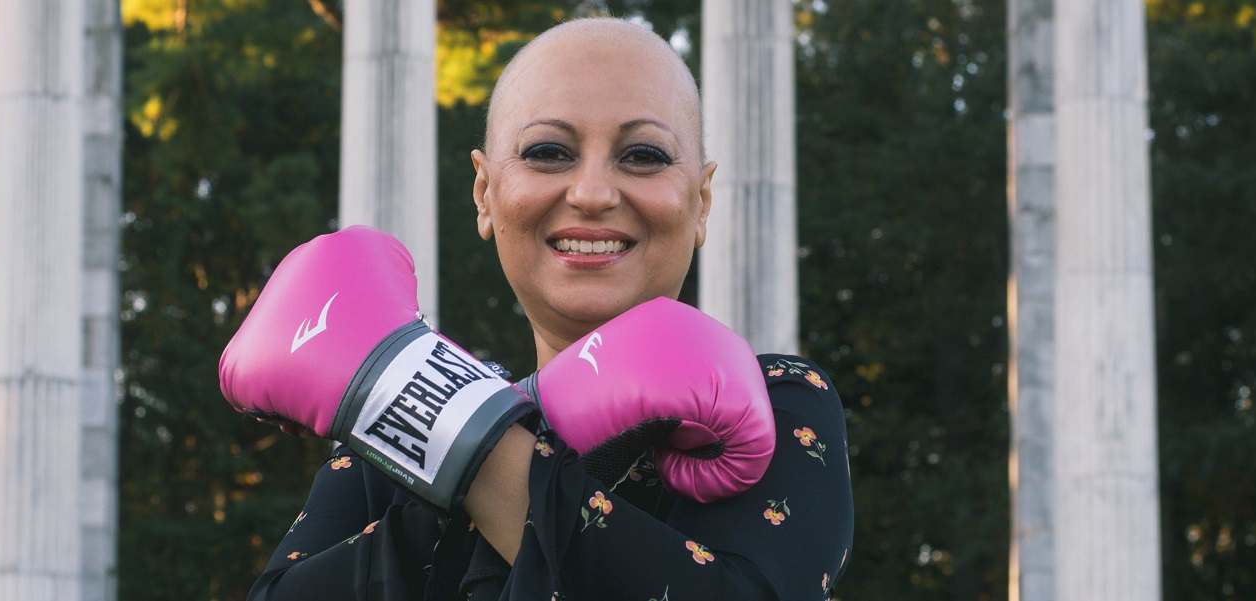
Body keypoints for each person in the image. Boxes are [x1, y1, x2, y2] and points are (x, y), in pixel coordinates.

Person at [246, 17, 853, 600]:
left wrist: (444, 429)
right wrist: (497, 421)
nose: (591, 193)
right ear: (486, 195)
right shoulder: (384, 440)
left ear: (700, 201)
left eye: (643, 155)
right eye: (547, 152)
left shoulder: (780, 401)